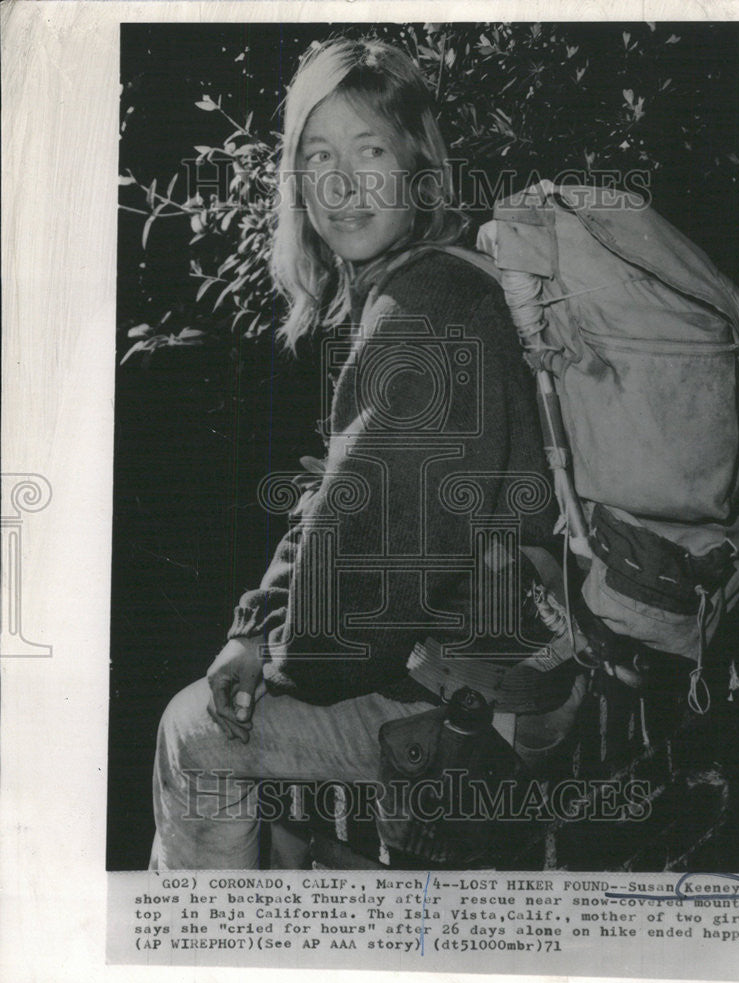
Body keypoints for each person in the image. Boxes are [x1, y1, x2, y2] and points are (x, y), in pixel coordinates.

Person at [151, 36, 571, 871]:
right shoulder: (439, 279)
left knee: (192, 732)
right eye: (318, 157)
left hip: (489, 707)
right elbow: (337, 498)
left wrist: (278, 657)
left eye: (369, 150)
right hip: (488, 666)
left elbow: (343, 636)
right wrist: (255, 627)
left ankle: (204, 968)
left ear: (419, 164)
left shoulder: (424, 310)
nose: (341, 186)